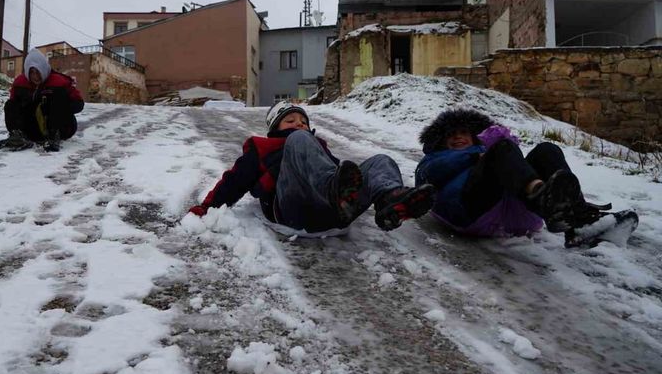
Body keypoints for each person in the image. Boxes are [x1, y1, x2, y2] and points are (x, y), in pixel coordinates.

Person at [187, 101, 435, 233]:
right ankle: (334, 193)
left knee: (381, 160)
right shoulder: (263, 147)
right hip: (293, 210)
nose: (299, 124)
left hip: (334, 214)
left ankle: (389, 201)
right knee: (300, 140)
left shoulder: (316, 144)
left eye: (303, 121)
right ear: (274, 129)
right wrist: (207, 207)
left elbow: (345, 175)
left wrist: (359, 186)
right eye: (290, 120)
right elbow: (234, 181)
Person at [414, 108, 608, 245]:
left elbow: (514, 167)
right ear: (441, 141)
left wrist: (496, 151)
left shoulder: (488, 151)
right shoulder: (434, 157)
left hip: (514, 212)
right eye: (451, 134)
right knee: (503, 148)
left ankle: (577, 218)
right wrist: (474, 157)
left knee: (547, 150)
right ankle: (541, 197)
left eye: (463, 132)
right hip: (469, 211)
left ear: (473, 136)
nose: (458, 137)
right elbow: (430, 173)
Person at [0, 49, 85, 152]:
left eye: (38, 71)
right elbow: (13, 106)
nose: (36, 76)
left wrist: (57, 108)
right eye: (32, 72)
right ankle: (18, 135)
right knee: (11, 104)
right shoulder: (20, 83)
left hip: (61, 128)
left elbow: (79, 104)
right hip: (32, 129)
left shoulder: (59, 81)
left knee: (56, 98)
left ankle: (53, 135)